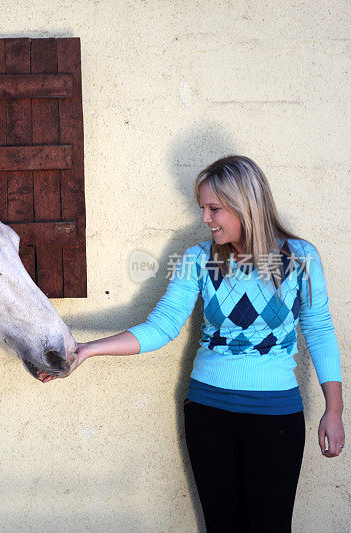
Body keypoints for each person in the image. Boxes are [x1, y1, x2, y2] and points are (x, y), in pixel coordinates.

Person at [41, 156, 344, 531]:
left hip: (276, 419)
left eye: (214, 208)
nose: (205, 219)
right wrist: (87, 350)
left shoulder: (301, 258)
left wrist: (334, 410)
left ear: (246, 205)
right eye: (203, 208)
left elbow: (320, 332)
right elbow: (162, 327)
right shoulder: (198, 260)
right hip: (208, 415)